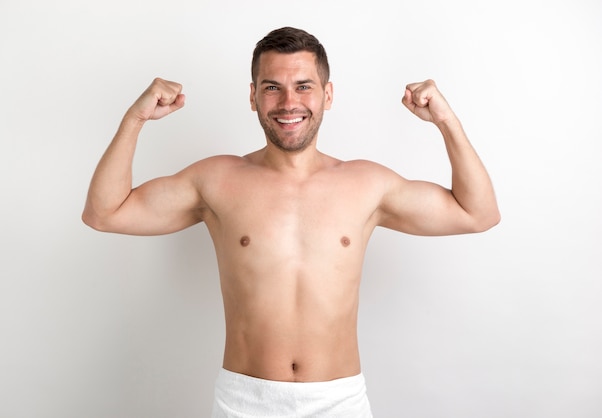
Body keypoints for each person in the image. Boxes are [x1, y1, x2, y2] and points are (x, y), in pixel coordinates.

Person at [82, 27, 500, 417]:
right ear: (252, 96)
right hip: (244, 402)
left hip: (338, 402)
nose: (288, 103)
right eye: (272, 88)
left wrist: (447, 121)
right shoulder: (216, 180)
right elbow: (105, 213)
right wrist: (134, 119)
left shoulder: (366, 184)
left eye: (303, 86)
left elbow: (477, 213)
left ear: (327, 94)